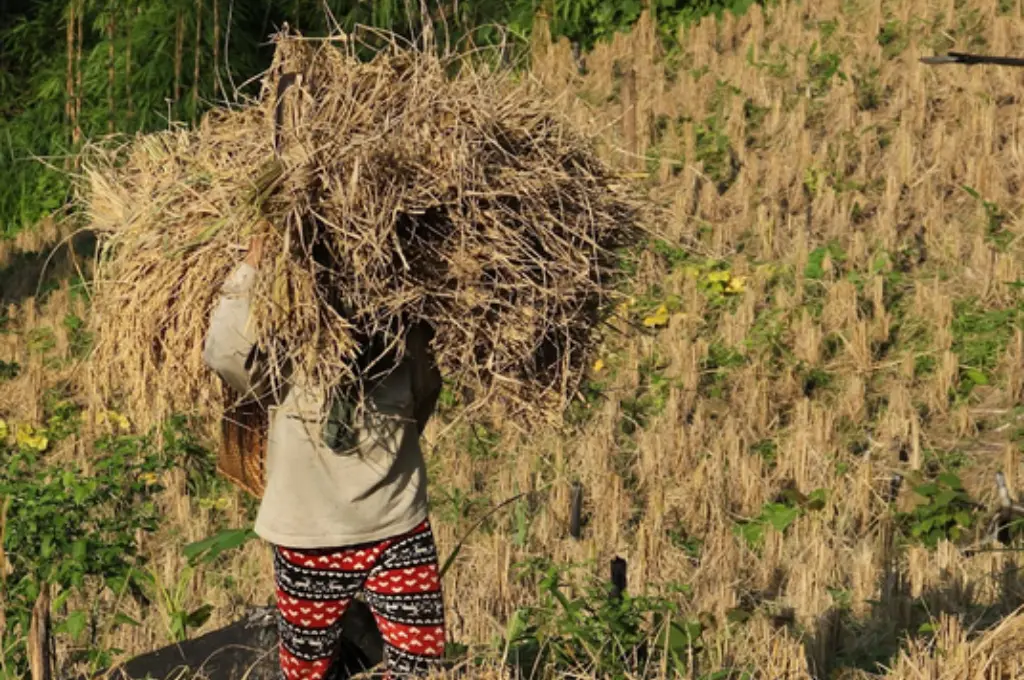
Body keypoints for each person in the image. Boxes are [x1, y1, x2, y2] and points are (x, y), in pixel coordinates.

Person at [202, 234, 446, 680]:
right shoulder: (285, 341)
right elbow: (224, 354)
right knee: (310, 672)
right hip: (309, 538)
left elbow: (425, 390)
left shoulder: (401, 333)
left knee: (420, 666)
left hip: (395, 528)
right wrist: (251, 271)